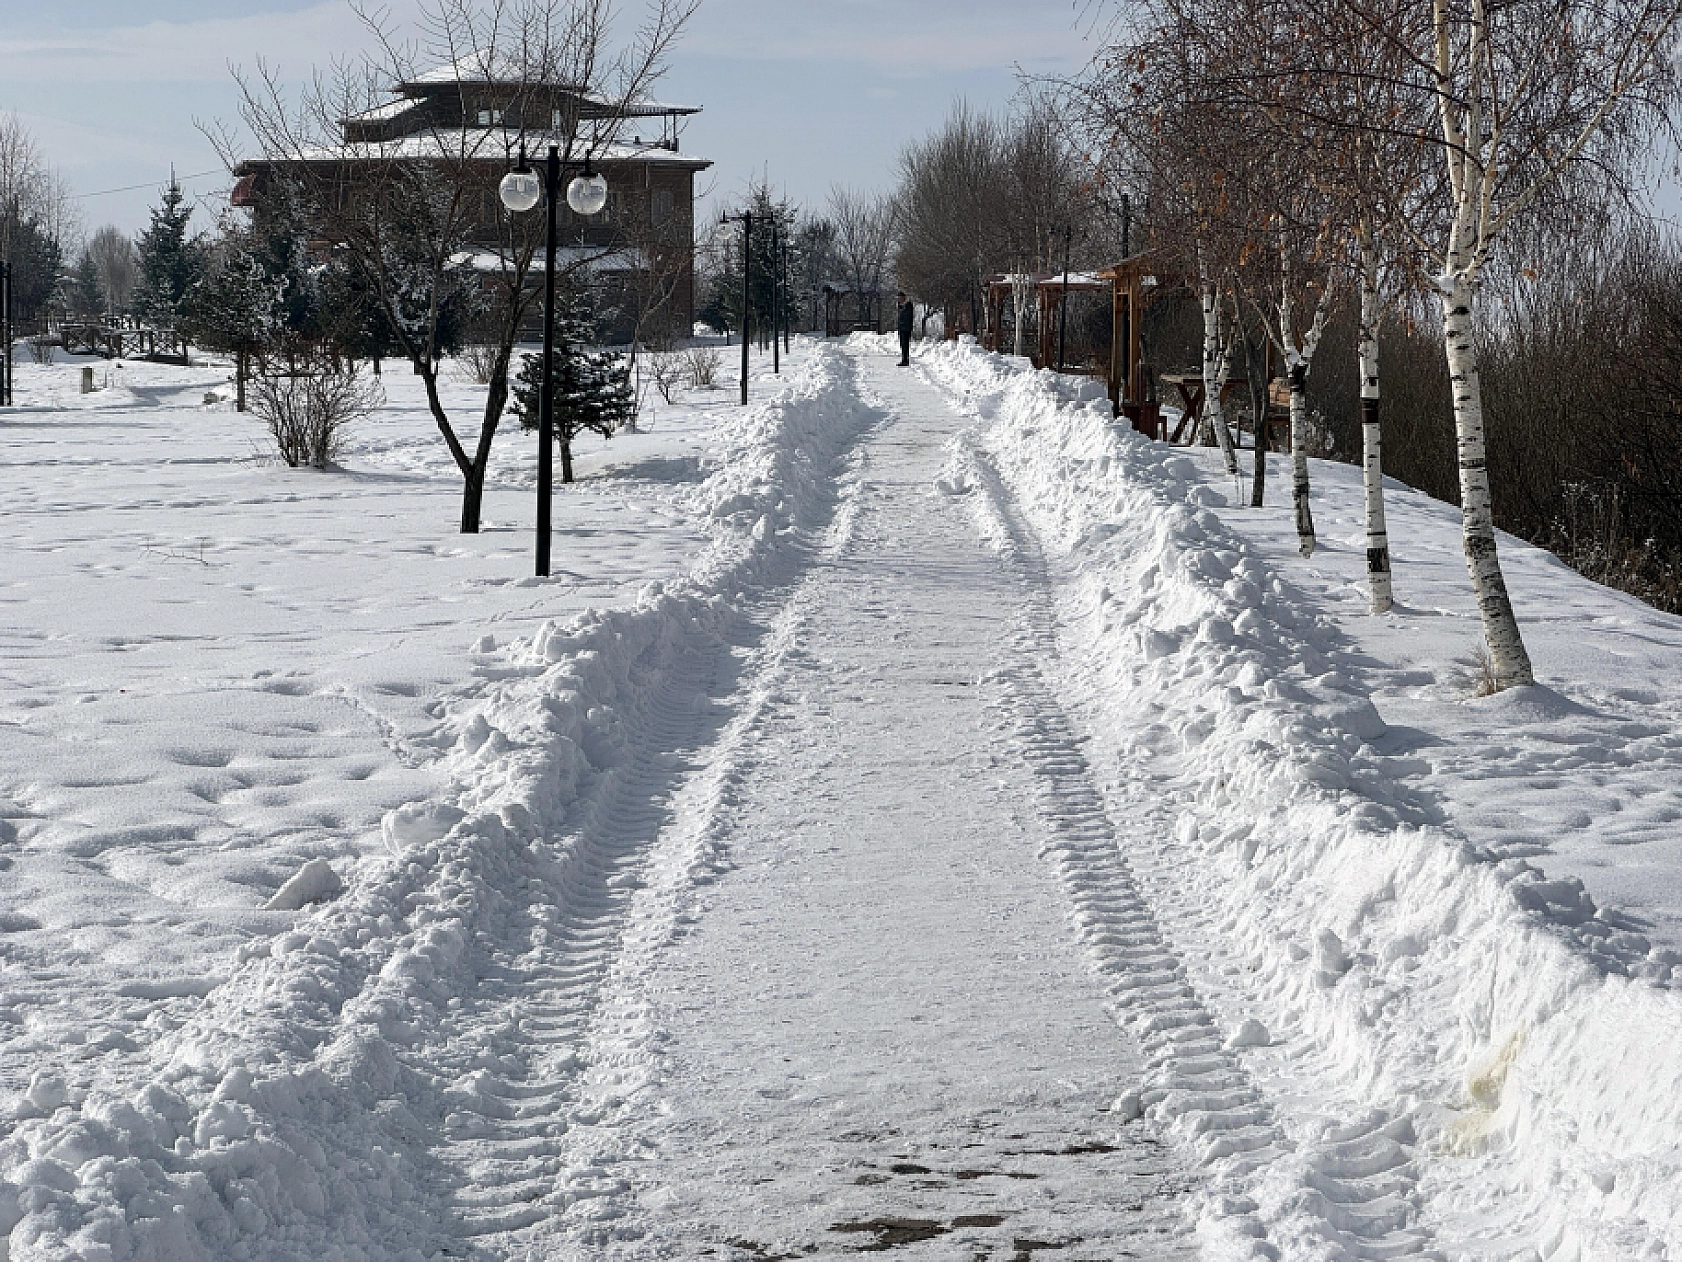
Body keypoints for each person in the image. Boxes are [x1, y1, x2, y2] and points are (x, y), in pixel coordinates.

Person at [895, 290, 914, 366]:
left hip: (906, 328)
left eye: (899, 298)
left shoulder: (908, 305)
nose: (898, 299)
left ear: (903, 298)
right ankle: (904, 359)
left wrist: (901, 308)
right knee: (902, 344)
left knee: (905, 344)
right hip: (902, 328)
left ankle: (905, 360)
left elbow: (907, 316)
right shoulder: (901, 306)